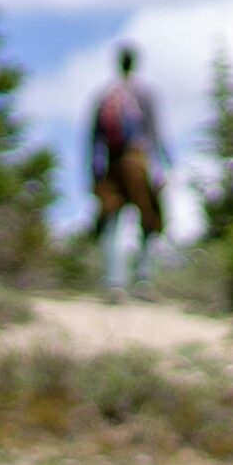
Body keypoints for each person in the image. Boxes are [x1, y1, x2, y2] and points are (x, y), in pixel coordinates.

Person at [87, 43, 168, 298]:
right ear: (135, 63)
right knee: (149, 218)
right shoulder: (145, 93)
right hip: (138, 160)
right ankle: (143, 280)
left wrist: (94, 172)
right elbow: (156, 133)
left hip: (112, 164)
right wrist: (165, 166)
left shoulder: (104, 94)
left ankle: (115, 283)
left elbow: (93, 138)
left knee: (112, 221)